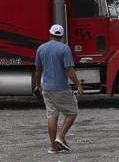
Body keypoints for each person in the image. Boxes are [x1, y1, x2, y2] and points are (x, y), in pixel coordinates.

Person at [34, 24, 84, 154]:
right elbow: (69, 69)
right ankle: (60, 137)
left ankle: (53, 147)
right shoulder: (64, 49)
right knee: (72, 112)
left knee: (52, 115)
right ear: (61, 36)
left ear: (50, 34)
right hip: (61, 88)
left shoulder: (41, 48)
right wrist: (78, 84)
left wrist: (37, 86)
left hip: (46, 88)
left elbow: (38, 70)